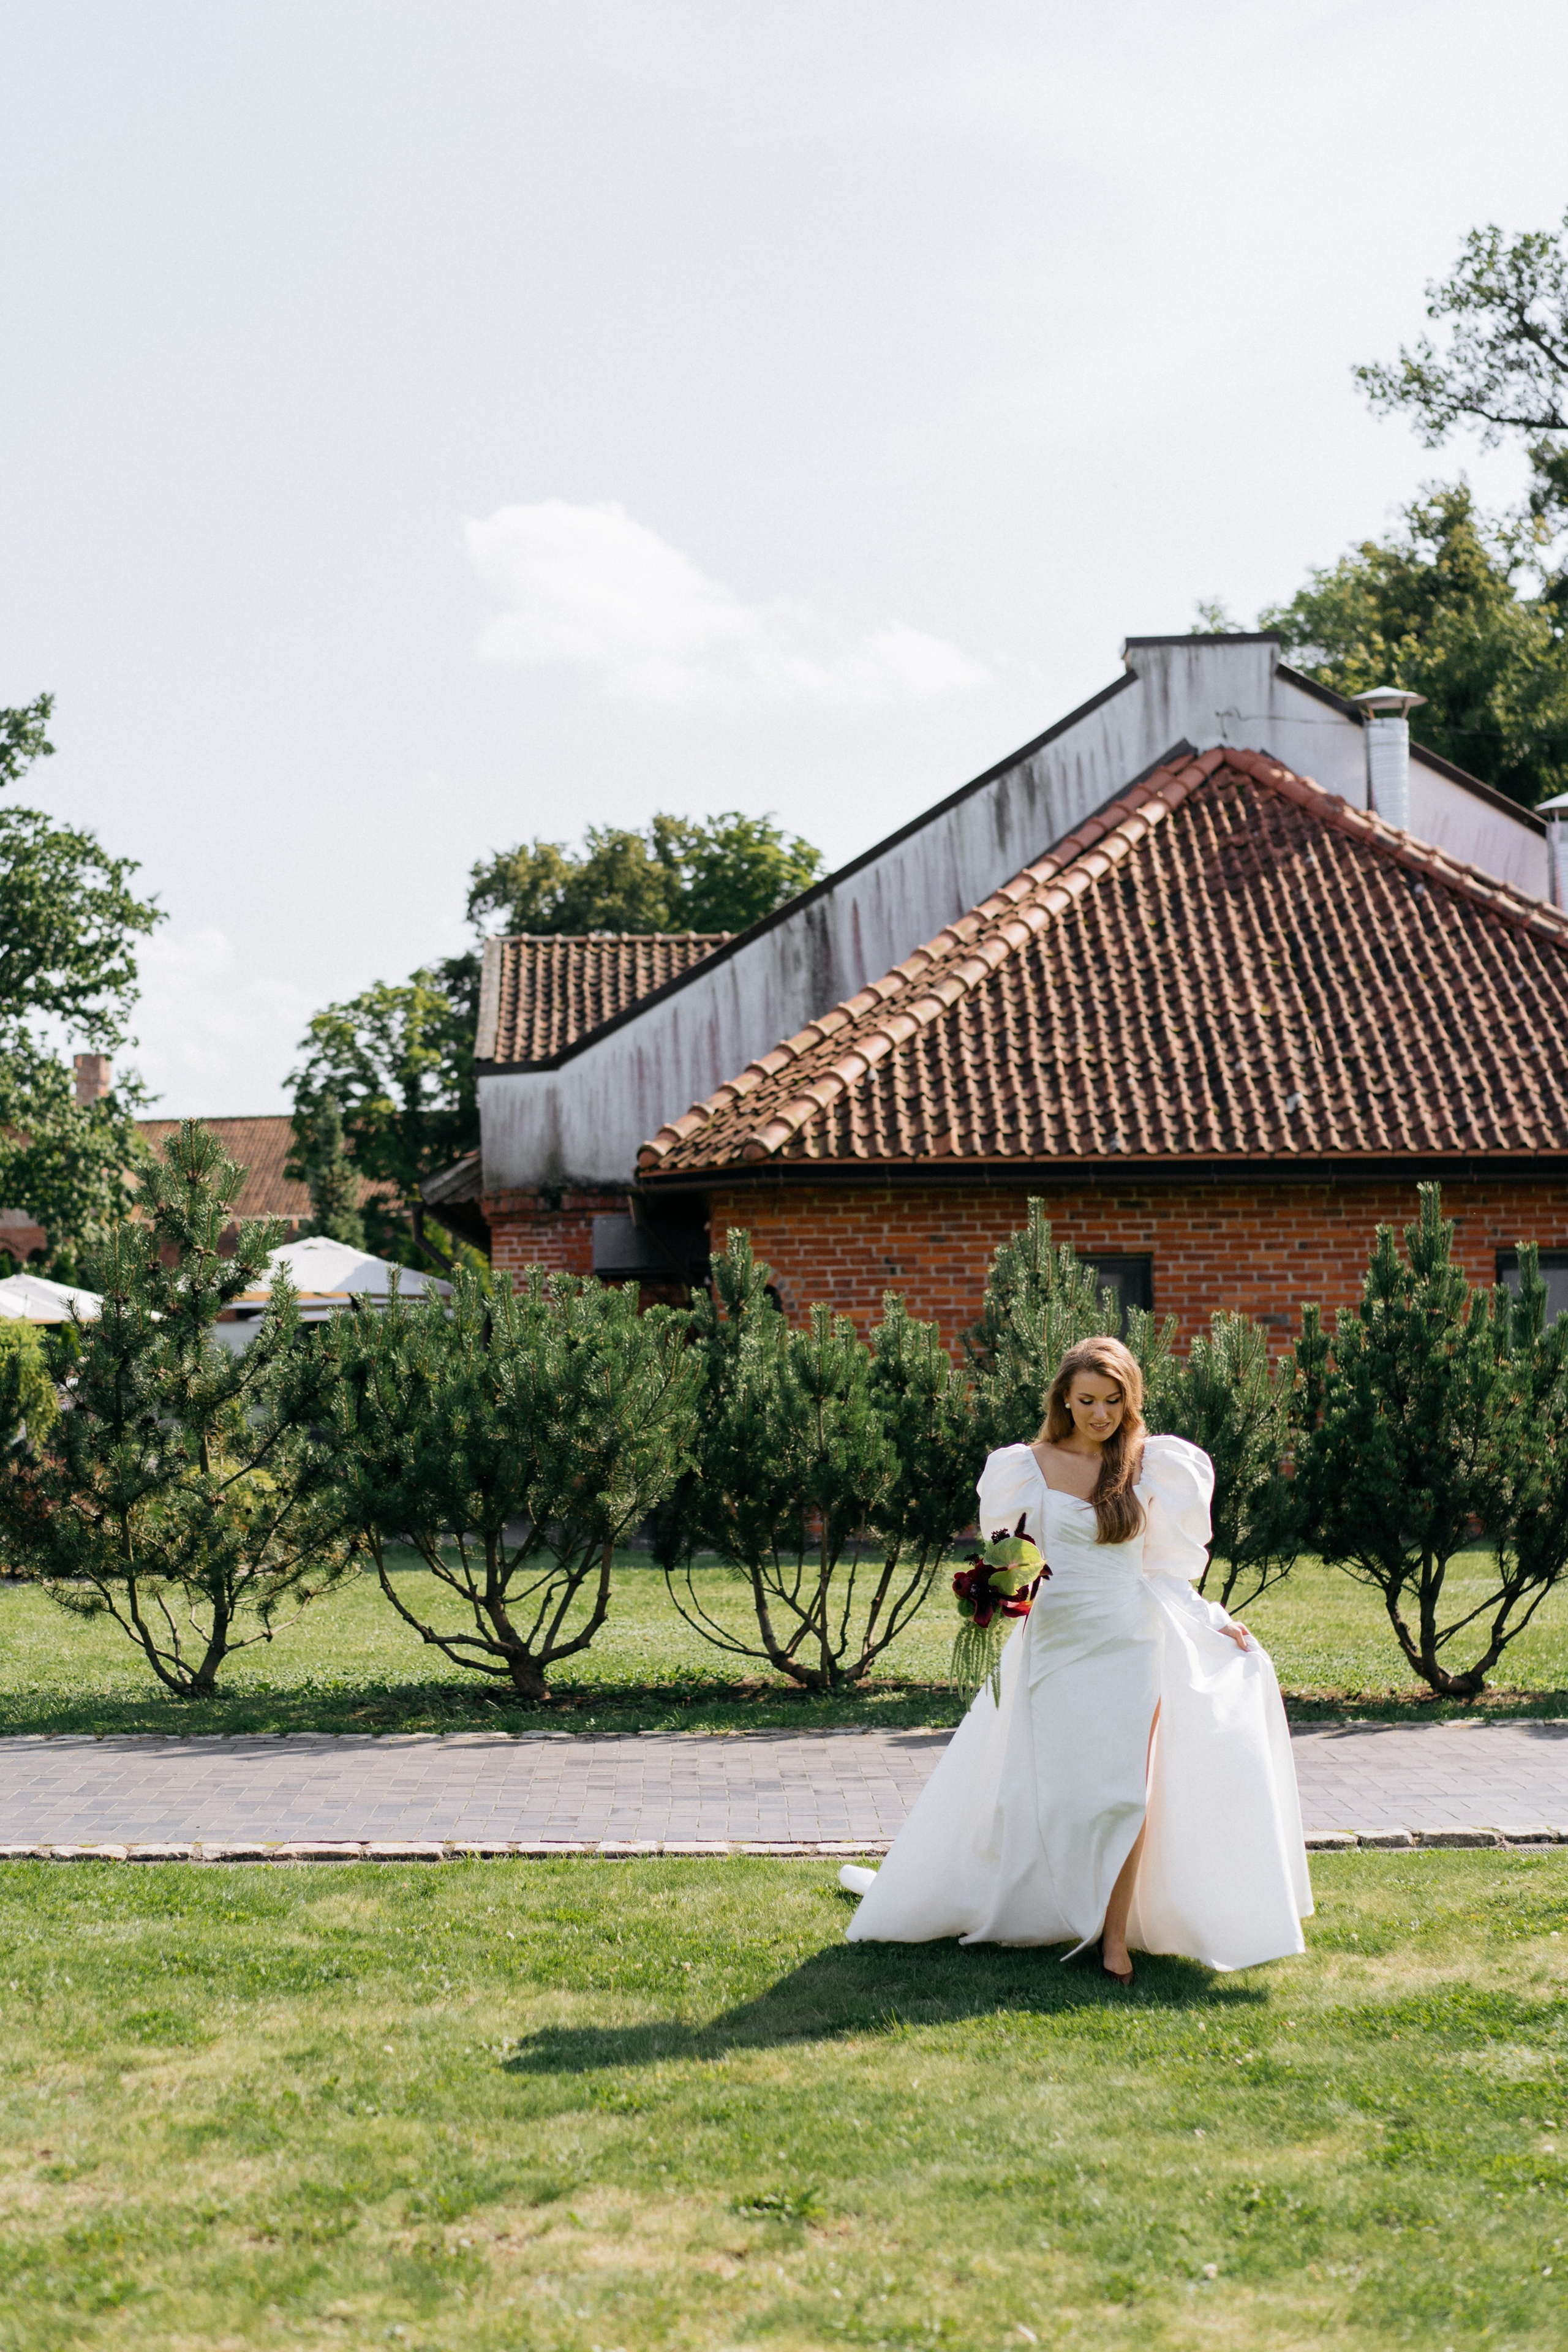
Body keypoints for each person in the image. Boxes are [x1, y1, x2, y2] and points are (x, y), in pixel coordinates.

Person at [840, 1335, 1311, 1981]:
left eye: (1113, 1400)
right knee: (1062, 1795)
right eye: (1087, 1400)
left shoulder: (1152, 1465)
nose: (1100, 1414)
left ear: (1130, 1399)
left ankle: (1114, 1938)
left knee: (1127, 1796)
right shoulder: (1025, 1467)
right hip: (1057, 1644)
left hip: (1131, 1643)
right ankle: (1043, 1901)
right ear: (1063, 1397)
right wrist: (992, 1591)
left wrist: (1215, 1621)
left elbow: (1163, 1571)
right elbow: (1008, 1555)